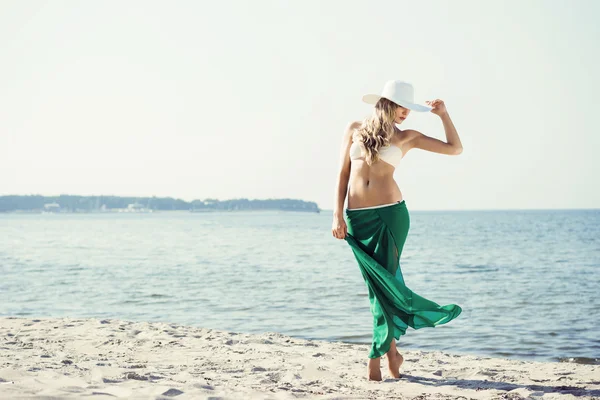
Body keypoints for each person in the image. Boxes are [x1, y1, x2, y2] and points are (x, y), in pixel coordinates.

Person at [331, 80, 464, 381]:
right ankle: (393, 355)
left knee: (383, 288)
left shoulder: (407, 137)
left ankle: (375, 360)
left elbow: (455, 149)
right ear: (387, 103)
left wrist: (443, 114)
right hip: (357, 218)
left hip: (391, 217)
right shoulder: (353, 128)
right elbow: (342, 175)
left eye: (409, 108)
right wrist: (337, 214)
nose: (407, 112)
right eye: (403, 106)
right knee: (376, 287)